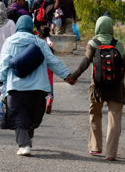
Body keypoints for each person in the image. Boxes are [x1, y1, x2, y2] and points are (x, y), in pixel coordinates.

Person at [0, 15, 73, 156]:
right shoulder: (39, 43)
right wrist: (66, 75)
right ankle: (27, 140)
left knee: (19, 116)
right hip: (38, 89)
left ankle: (25, 144)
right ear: (30, 27)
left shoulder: (9, 42)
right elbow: (53, 62)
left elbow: (3, 66)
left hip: (16, 88)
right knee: (31, 115)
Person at [69, 16, 125, 161]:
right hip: (116, 87)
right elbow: (123, 68)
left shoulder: (93, 43)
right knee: (114, 119)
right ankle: (111, 154)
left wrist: (74, 76)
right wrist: (119, 84)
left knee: (95, 115)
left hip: (97, 86)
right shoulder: (119, 44)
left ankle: (95, 147)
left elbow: (86, 61)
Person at [37, 25, 54, 114]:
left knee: (41, 92)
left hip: (41, 77)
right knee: (50, 93)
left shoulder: (38, 39)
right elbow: (51, 43)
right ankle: (49, 99)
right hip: (49, 82)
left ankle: (43, 103)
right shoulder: (47, 38)